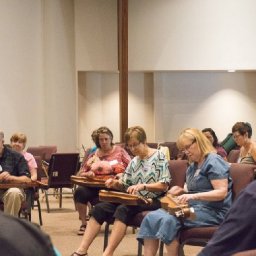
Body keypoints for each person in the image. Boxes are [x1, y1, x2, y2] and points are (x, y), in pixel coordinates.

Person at [71, 126, 170, 256]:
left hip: (153, 200)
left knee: (123, 209)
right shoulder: (134, 161)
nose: (133, 149)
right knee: (99, 208)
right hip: (132, 199)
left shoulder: (159, 156)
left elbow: (164, 185)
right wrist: (115, 183)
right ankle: (82, 250)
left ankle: (107, 253)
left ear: (144, 141)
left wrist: (144, 186)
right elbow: (125, 183)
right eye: (130, 146)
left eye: (135, 145)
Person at [137, 128, 232, 256]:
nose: (186, 152)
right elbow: (194, 188)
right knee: (152, 217)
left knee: (171, 218)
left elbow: (221, 192)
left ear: (198, 142)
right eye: (183, 149)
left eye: (188, 147)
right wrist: (181, 191)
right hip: (194, 208)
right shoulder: (193, 165)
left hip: (213, 211)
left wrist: (192, 196)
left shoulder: (214, 161)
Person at [74, 126, 131, 235]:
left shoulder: (120, 151)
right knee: (80, 192)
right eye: (101, 139)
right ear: (98, 141)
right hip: (94, 186)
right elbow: (81, 172)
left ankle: (110, 220)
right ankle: (83, 224)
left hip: (114, 185)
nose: (104, 142)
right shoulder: (94, 153)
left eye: (106, 139)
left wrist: (121, 175)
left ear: (111, 139)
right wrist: (88, 174)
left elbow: (132, 168)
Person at [198, 180, 256, 256]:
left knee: (177, 219)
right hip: (197, 206)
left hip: (214, 211)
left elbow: (221, 192)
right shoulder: (191, 170)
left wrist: (194, 196)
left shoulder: (252, 194)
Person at [0, 130, 31, 217]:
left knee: (14, 192)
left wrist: (11, 177)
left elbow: (27, 179)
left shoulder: (16, 156)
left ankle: (9, 227)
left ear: (2, 142)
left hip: (9, 190)